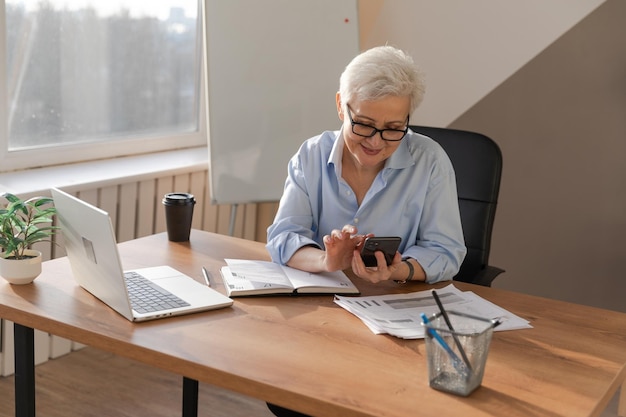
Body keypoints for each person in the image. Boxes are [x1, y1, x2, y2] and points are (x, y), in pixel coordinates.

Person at [265, 45, 466, 416]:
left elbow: (447, 249)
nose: (376, 142)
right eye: (364, 125)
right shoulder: (311, 155)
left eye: (394, 129)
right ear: (341, 105)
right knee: (292, 398)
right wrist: (327, 260)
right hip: (322, 323)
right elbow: (283, 235)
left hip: (398, 327)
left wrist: (400, 269)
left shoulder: (431, 161)